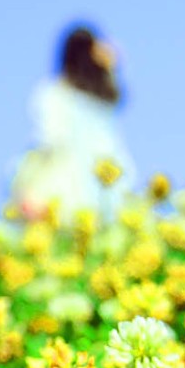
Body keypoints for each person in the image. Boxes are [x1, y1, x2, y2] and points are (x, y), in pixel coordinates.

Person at [11, 23, 137, 224]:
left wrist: (25, 186)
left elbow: (47, 141)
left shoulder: (56, 93)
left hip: (67, 195)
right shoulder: (96, 98)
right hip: (107, 191)